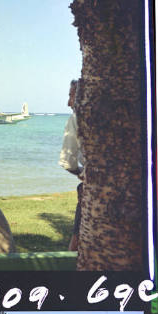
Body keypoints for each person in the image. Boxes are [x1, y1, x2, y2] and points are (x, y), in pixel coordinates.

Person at [59, 80, 85, 251]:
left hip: (90, 191)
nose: (69, 103)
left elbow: (68, 162)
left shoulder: (76, 118)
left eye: (71, 96)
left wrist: (81, 172)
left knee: (76, 241)